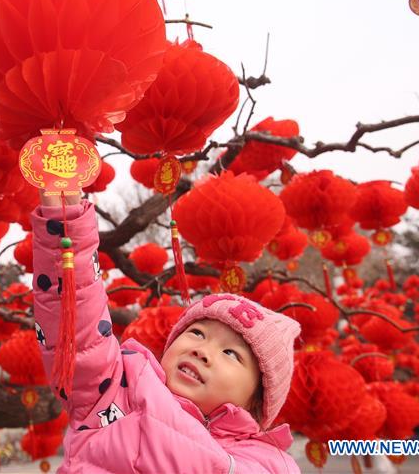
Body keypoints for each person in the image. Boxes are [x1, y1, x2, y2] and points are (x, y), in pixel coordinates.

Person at [31, 190, 302, 473]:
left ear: (257, 400)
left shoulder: (266, 462)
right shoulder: (117, 389)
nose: (203, 351)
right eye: (197, 333)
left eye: (231, 353)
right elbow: (80, 331)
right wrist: (65, 228)